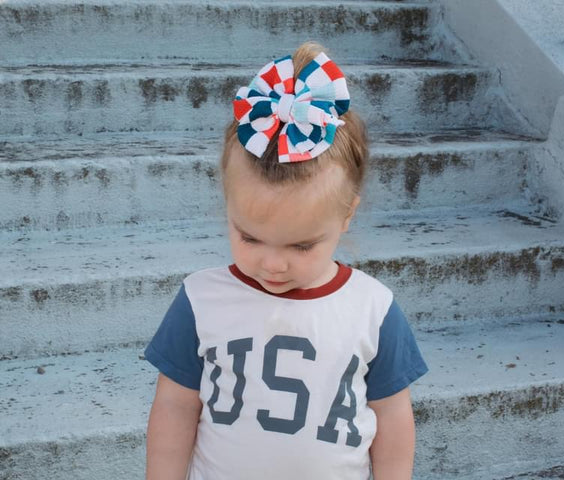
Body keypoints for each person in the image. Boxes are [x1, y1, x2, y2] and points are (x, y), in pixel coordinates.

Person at [144, 42, 428, 480]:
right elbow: (175, 407)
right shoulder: (201, 300)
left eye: (301, 246)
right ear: (228, 207)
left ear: (347, 215)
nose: (273, 265)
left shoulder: (373, 310)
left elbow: (392, 419)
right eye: (250, 237)